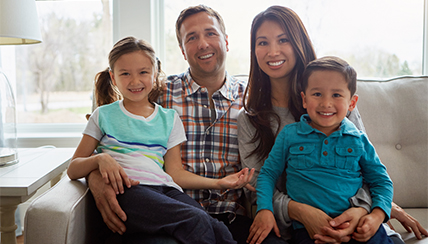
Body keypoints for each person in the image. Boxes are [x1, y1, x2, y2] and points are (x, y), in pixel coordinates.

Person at [238, 5, 428, 244]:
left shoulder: (340, 102)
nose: (273, 51)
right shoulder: (251, 119)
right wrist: (304, 213)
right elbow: (258, 183)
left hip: (355, 218)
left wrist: (370, 211)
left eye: (283, 39)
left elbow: (368, 172)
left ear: (299, 43)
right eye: (262, 42)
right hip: (293, 224)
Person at [86, 5, 256, 244]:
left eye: (210, 33)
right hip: (166, 211)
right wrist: (96, 176)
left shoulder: (251, 98)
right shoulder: (158, 93)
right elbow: (108, 138)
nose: (203, 44)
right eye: (192, 37)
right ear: (183, 50)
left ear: (226, 41)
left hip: (229, 217)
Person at [257, 56, 394, 244]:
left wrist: (377, 216)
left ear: (352, 103)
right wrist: (264, 209)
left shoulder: (358, 140)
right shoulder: (289, 135)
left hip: (357, 226)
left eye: (336, 95)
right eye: (317, 94)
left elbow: (381, 181)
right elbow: (267, 174)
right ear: (304, 99)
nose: (326, 103)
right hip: (310, 231)